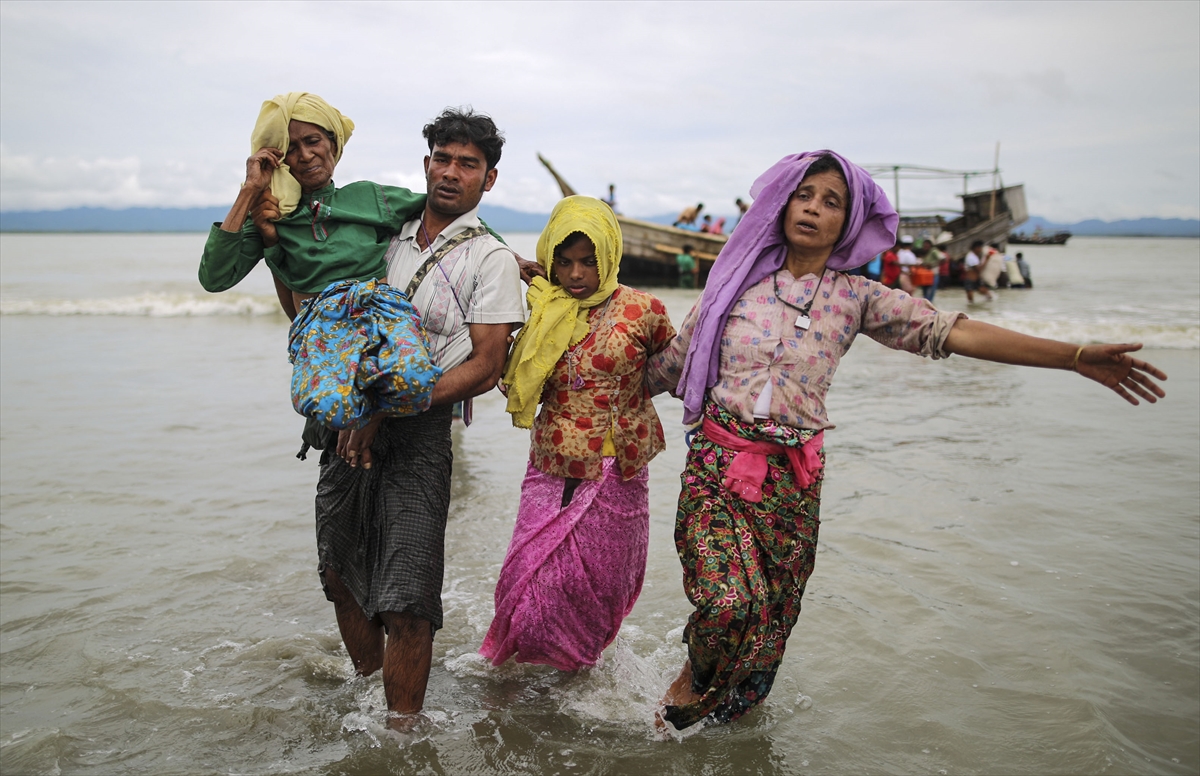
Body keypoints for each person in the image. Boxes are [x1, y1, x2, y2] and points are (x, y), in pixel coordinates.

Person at [647, 150, 1166, 731]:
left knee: (769, 632)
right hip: (718, 469)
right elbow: (668, 364)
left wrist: (1072, 357)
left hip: (793, 485)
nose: (813, 208)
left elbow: (953, 333)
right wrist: (588, 378)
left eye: (831, 202)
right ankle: (692, 679)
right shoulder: (733, 284)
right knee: (729, 605)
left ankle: (723, 742)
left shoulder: (855, 297)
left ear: (848, 223)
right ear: (783, 204)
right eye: (804, 195)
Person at [326, 108, 528, 725]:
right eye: (443, 158)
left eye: (468, 163)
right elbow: (323, 302)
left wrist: (388, 405)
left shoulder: (490, 258)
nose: (451, 172)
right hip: (346, 424)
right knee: (340, 576)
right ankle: (369, 704)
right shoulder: (382, 234)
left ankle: (403, 735)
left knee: (408, 599)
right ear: (426, 164)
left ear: (489, 179)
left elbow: (486, 366)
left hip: (418, 433)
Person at [481, 196, 676, 671]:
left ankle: (577, 671)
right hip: (553, 464)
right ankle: (524, 672)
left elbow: (676, 370)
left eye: (589, 262)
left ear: (609, 256)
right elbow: (511, 372)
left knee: (600, 586)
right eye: (564, 262)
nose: (575, 274)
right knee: (530, 582)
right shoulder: (542, 307)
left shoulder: (644, 310)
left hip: (620, 471)